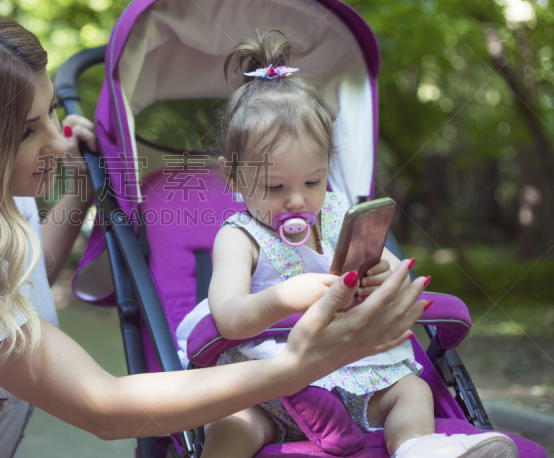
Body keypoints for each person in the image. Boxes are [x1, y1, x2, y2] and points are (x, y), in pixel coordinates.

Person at [0, 5, 429, 458]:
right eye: (30, 129)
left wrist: (77, 189)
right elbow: (105, 406)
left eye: (51, 111)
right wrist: (298, 363)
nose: (57, 138)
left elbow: (30, 282)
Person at [174, 30, 518, 458]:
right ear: (233, 178)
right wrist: (283, 298)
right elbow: (227, 317)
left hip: (351, 371)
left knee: (410, 390)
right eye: (275, 186)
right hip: (268, 385)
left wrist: (381, 275)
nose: (297, 199)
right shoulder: (239, 237)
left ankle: (417, 447)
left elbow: (399, 275)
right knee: (230, 422)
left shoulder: (339, 214)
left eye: (312, 181)